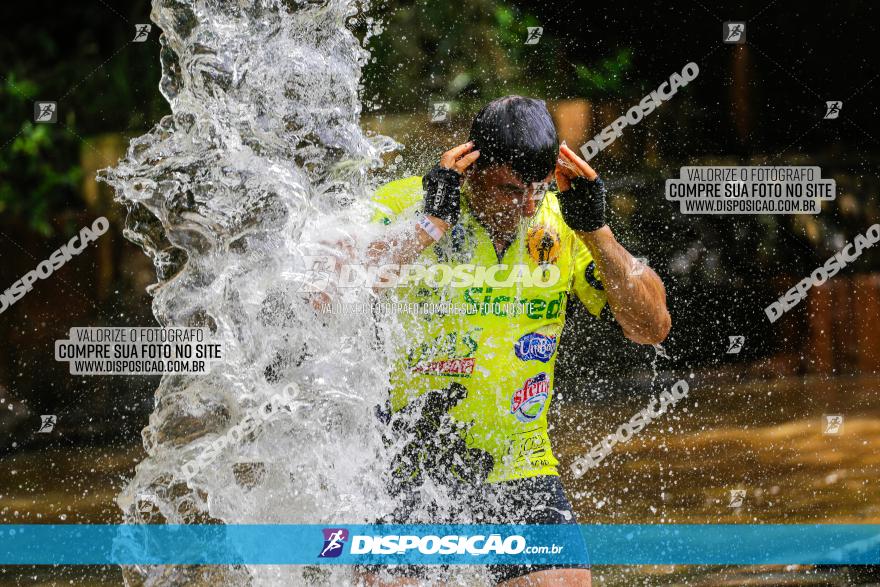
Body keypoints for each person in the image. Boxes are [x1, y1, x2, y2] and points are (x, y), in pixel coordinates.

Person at [358, 95, 671, 586]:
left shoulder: (561, 222)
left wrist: (599, 233)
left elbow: (650, 327)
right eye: (508, 190)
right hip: (406, 458)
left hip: (516, 460)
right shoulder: (411, 201)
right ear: (474, 168)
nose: (526, 207)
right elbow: (328, 291)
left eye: (537, 189)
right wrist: (426, 226)